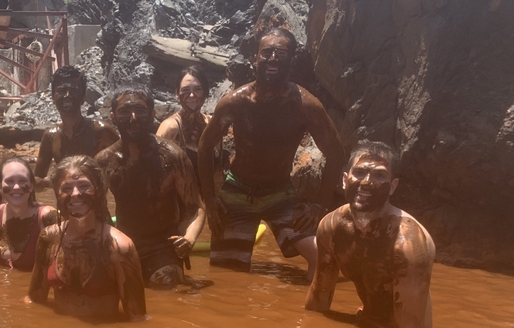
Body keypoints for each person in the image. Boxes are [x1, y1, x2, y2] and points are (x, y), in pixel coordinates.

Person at [198, 27, 345, 280]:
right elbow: (204, 147)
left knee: (324, 260)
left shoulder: (304, 105)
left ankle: (311, 311)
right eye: (266, 52)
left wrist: (318, 205)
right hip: (237, 191)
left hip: (280, 192)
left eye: (281, 53)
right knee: (226, 278)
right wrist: (211, 200)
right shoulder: (235, 102)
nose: (273, 58)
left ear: (292, 60)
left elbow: (336, 153)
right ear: (255, 58)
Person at [305, 141, 435, 328]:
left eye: (379, 175)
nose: (366, 182)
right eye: (359, 172)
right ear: (345, 180)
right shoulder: (331, 227)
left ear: (392, 187)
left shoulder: (407, 242)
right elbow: (318, 296)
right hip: (365, 322)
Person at [95, 87, 205, 287]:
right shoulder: (104, 161)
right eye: (125, 112)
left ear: (152, 115)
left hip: (162, 246)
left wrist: (188, 239)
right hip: (123, 244)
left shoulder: (172, 156)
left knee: (167, 290)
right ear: (113, 116)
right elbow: (95, 210)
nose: (134, 118)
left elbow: (196, 208)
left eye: (141, 111)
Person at [28, 156, 146, 321]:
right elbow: (34, 300)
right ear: (57, 193)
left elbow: (137, 317)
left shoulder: (120, 247)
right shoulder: (49, 238)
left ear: (98, 190)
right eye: (66, 188)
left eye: (84, 186)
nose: (75, 194)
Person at [34, 66, 119, 187]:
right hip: (63, 205)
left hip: (95, 205)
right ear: (53, 97)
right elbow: (37, 180)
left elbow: (126, 169)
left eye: (73, 91)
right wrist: (49, 181)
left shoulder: (101, 131)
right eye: (61, 91)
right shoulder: (51, 136)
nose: (67, 95)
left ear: (83, 98)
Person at [0, 157, 58, 272]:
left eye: (22, 181)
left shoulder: (46, 216)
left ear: (31, 186)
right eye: (9, 181)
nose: (16, 187)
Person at [156, 66, 213, 179]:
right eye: (185, 90)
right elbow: (155, 168)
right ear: (177, 94)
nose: (192, 95)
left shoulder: (211, 123)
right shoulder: (170, 127)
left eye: (198, 89)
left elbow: (218, 167)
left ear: (205, 92)